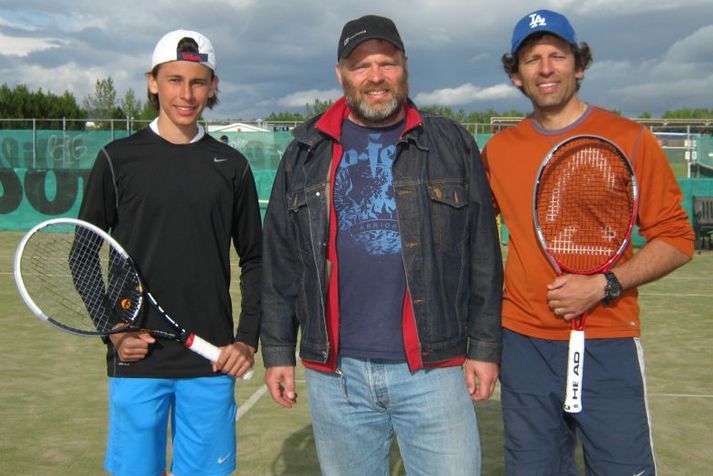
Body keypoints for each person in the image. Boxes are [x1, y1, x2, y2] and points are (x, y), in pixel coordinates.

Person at [260, 14, 503, 476]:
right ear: (340, 74)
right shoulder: (305, 151)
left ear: (404, 66)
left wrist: (485, 347)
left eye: (386, 63)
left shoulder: (449, 141)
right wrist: (277, 352)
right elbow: (281, 262)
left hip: (434, 368)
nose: (375, 76)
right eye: (361, 65)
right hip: (338, 379)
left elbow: (483, 256)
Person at [482, 9, 695, 475]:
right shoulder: (498, 151)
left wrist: (605, 285)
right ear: (516, 76)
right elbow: (472, 239)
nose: (544, 68)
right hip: (523, 347)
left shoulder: (631, 139)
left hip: (607, 341)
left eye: (556, 56)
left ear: (578, 65)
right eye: (531, 58)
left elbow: (677, 238)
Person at [78, 29, 261, 476]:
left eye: (198, 82)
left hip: (212, 360)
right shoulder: (116, 159)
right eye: (174, 79)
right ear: (153, 82)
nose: (186, 93)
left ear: (213, 86)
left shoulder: (231, 166)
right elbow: (82, 255)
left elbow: (256, 259)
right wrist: (113, 331)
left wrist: (246, 339)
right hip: (137, 358)